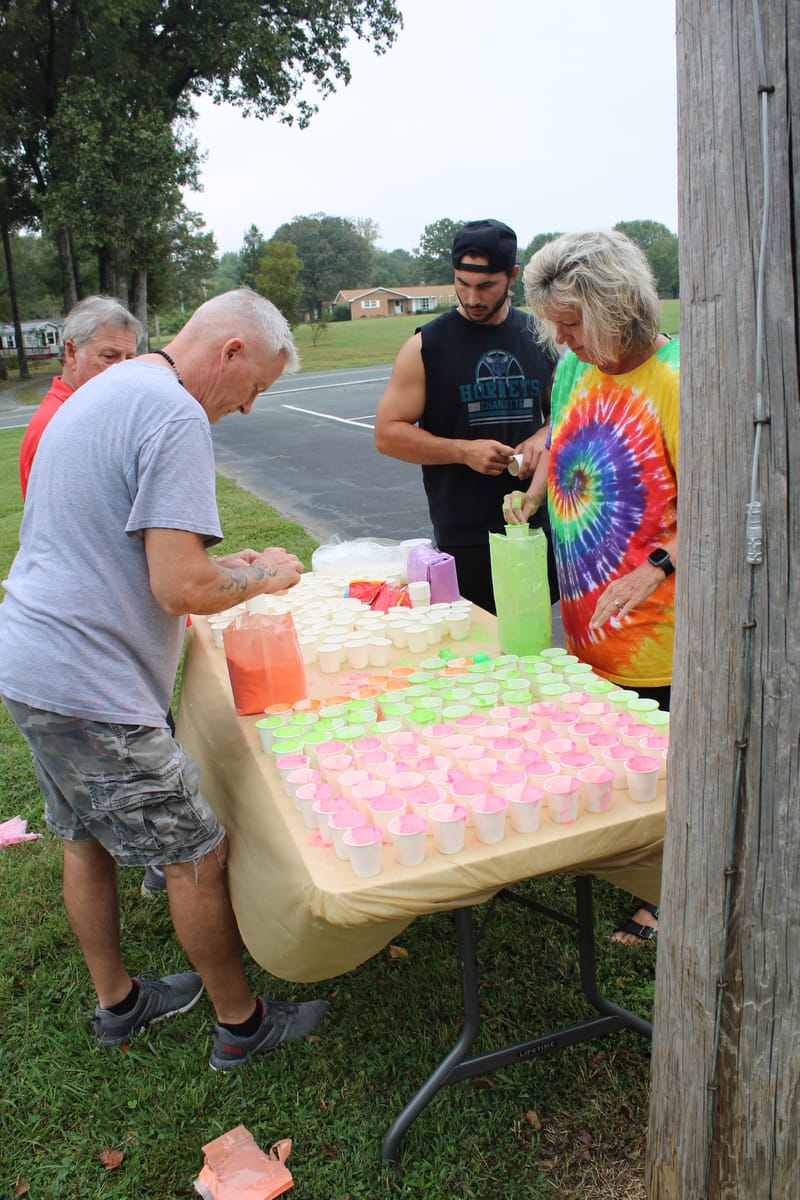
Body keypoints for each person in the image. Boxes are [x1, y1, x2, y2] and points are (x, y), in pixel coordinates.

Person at [0, 288, 328, 1067]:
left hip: (33, 661)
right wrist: (268, 577)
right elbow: (180, 590)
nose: (248, 409)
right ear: (233, 354)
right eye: (255, 389)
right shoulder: (175, 412)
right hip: (88, 684)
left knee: (85, 839)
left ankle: (119, 1003)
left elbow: (137, 549)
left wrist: (227, 567)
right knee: (194, 853)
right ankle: (241, 1026)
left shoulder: (113, 385)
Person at [504, 229, 678, 945]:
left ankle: (668, 895)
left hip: (656, 626)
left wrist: (656, 567)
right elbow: (562, 430)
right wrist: (537, 492)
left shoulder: (677, 379)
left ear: (618, 308)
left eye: (573, 325)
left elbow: (719, 498)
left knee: (664, 769)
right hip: (585, 613)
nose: (563, 341)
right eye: (555, 326)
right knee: (611, 755)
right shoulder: (577, 368)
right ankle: (621, 866)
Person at [374, 219, 557, 614]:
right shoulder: (427, 345)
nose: (472, 297)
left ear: (512, 276)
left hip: (534, 525)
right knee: (474, 654)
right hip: (464, 533)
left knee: (532, 648)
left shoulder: (541, 336)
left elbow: (565, 415)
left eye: (486, 285)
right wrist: (463, 451)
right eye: (462, 283)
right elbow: (387, 434)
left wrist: (542, 437)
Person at [19, 295, 142, 498]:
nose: (123, 370)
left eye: (130, 358)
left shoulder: (88, 409)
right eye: (109, 357)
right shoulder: (57, 422)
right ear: (71, 353)